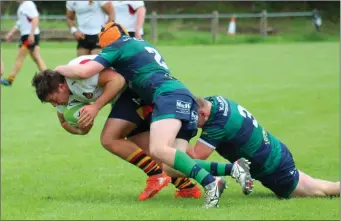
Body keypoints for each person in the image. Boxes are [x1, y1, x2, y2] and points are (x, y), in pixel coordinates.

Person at [54, 22, 233, 208]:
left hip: (162, 95)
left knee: (151, 147)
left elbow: (86, 71)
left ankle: (206, 181)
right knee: (165, 157)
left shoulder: (117, 46)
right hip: (168, 92)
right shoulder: (140, 43)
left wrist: (58, 69)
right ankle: (217, 175)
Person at [31, 55, 202, 201]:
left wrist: (95, 107)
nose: (54, 104)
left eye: (53, 99)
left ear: (61, 86)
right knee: (149, 149)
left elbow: (117, 79)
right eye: (50, 103)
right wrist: (81, 129)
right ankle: (188, 187)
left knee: (109, 138)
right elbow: (64, 122)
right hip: (121, 98)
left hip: (133, 88)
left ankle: (157, 176)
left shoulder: (78, 75)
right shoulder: (62, 98)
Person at [186, 95, 340, 199]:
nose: (191, 123)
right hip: (273, 151)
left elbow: (195, 156)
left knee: (320, 190)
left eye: (193, 119)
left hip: (273, 168)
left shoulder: (218, 125)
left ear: (203, 113)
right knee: (314, 185)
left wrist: (175, 139)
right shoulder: (214, 100)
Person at [1, 0, 46, 86]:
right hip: (29, 35)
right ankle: (49, 78)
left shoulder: (28, 4)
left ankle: (10, 80)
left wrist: (31, 35)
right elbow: (20, 23)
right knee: (37, 58)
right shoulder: (23, 6)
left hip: (29, 36)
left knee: (19, 58)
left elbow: (35, 19)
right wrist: (11, 33)